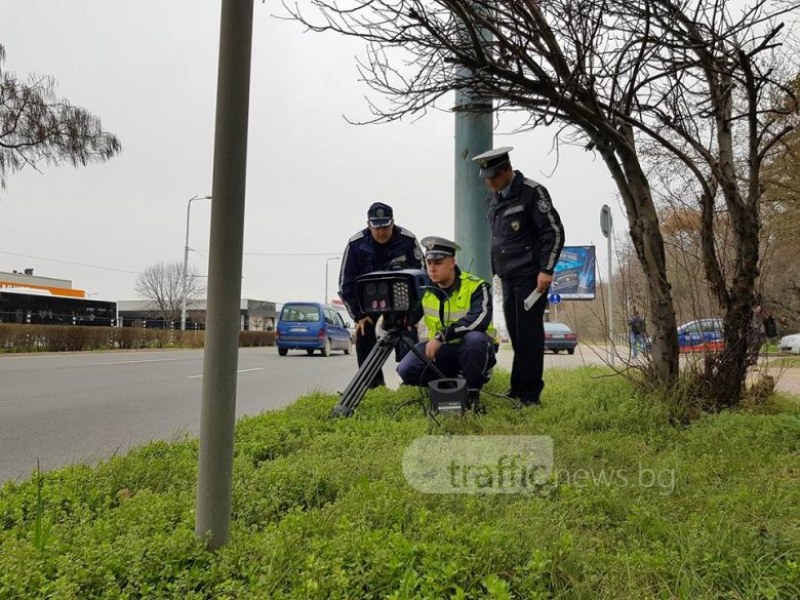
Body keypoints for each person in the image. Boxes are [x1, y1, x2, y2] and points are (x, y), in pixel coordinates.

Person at [472, 146, 565, 407]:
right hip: (508, 277)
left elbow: (554, 233)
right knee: (516, 334)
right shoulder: (496, 199)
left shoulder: (532, 192)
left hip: (531, 277)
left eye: (493, 177)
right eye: (486, 178)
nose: (489, 182)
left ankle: (530, 395)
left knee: (529, 335)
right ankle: (518, 388)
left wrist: (546, 270)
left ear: (507, 170)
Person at [396, 236, 497, 411]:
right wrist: (397, 316)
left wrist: (442, 335)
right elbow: (410, 317)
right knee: (406, 369)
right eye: (429, 263)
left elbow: (478, 320)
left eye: (438, 262)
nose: (432, 269)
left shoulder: (476, 286)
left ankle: (472, 393)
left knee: (474, 340)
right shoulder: (424, 289)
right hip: (441, 352)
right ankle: (444, 383)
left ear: (452, 262)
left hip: (473, 349)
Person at [338, 202, 424, 388]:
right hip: (368, 304)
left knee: (408, 337)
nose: (381, 232)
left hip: (402, 301)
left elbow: (423, 278)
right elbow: (345, 285)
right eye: (376, 227)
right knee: (364, 334)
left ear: (393, 222)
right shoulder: (356, 244)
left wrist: (415, 313)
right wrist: (358, 316)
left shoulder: (407, 241)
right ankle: (374, 388)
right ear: (368, 225)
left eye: (385, 226)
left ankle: (411, 385)